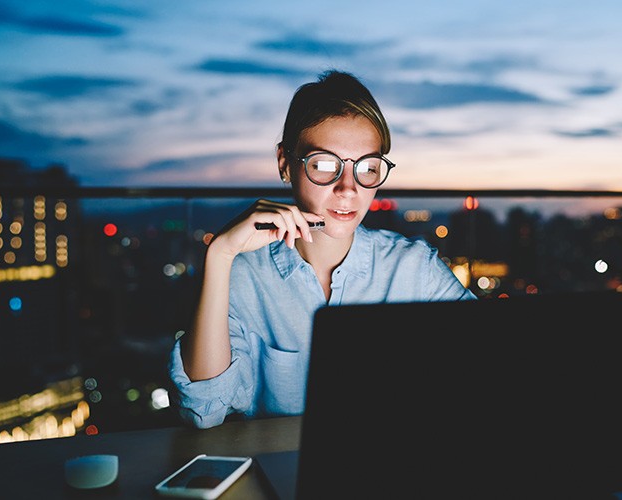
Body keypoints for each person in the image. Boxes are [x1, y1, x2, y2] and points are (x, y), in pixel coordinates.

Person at [169, 69, 477, 429]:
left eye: (367, 168)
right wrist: (220, 254)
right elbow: (203, 411)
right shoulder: (243, 274)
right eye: (325, 165)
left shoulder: (414, 269)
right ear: (286, 163)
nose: (348, 188)